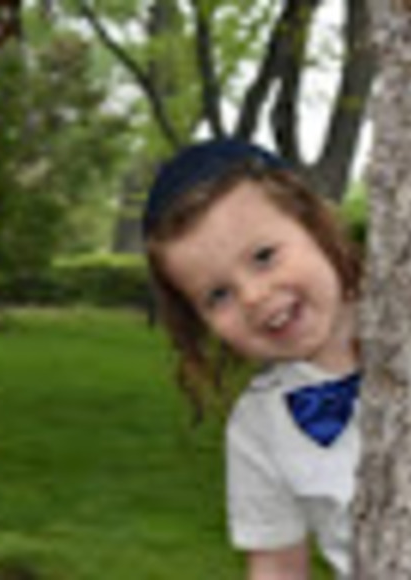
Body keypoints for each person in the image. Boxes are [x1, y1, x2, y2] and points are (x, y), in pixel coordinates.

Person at [142, 138, 362, 580]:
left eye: (264, 257)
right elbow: (278, 567)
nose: (254, 296)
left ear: (314, 227)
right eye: (218, 295)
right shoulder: (259, 426)